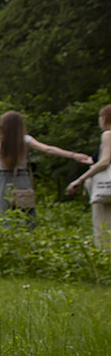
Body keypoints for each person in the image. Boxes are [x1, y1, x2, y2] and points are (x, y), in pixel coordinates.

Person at [0, 110, 91, 228]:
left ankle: (5, 241)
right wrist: (73, 155)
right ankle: (26, 240)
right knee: (25, 215)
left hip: (3, 181)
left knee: (3, 216)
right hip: (22, 179)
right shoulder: (25, 140)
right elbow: (48, 149)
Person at [64, 104, 111, 248]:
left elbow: (104, 162)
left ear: (104, 118)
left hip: (106, 189)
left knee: (103, 228)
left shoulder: (108, 134)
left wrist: (80, 179)